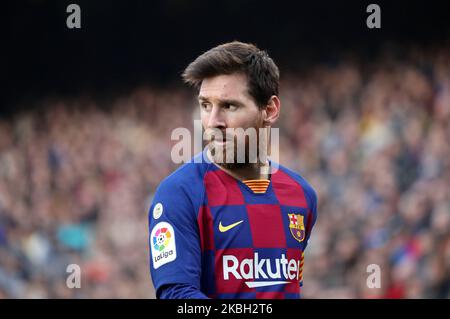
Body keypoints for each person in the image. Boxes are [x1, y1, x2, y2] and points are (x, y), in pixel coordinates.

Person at [148, 41, 318, 299]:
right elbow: (177, 296)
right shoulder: (180, 194)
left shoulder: (302, 196)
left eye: (229, 106)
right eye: (205, 105)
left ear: (269, 110)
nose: (212, 122)